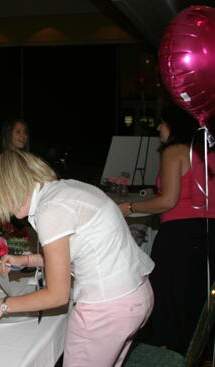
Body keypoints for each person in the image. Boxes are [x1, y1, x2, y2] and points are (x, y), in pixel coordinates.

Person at [0, 149, 154, 367]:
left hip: (106, 308)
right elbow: (76, 249)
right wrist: (27, 260)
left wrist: (4, 305)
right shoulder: (66, 190)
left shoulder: (50, 209)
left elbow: (56, 295)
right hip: (135, 296)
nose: (9, 211)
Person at [118, 104, 214, 354]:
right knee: (197, 303)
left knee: (169, 304)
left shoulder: (174, 150)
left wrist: (126, 207)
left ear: (174, 124)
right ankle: (193, 355)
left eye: (162, 122)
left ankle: (168, 356)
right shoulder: (205, 150)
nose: (158, 127)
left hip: (180, 236)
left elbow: (168, 201)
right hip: (208, 232)